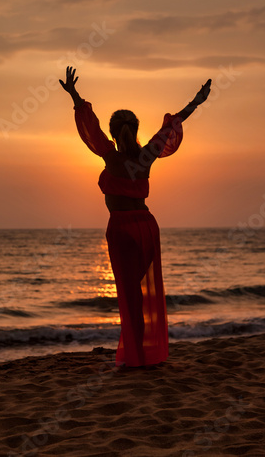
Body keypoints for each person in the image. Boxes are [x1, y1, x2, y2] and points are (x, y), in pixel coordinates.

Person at [59, 66, 211, 368]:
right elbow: (172, 126)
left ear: (115, 132)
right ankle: (144, 354)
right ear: (136, 130)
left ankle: (136, 357)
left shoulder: (110, 155)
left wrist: (74, 94)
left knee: (131, 298)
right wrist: (196, 101)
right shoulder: (146, 156)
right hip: (146, 227)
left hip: (121, 229)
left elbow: (90, 126)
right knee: (144, 292)